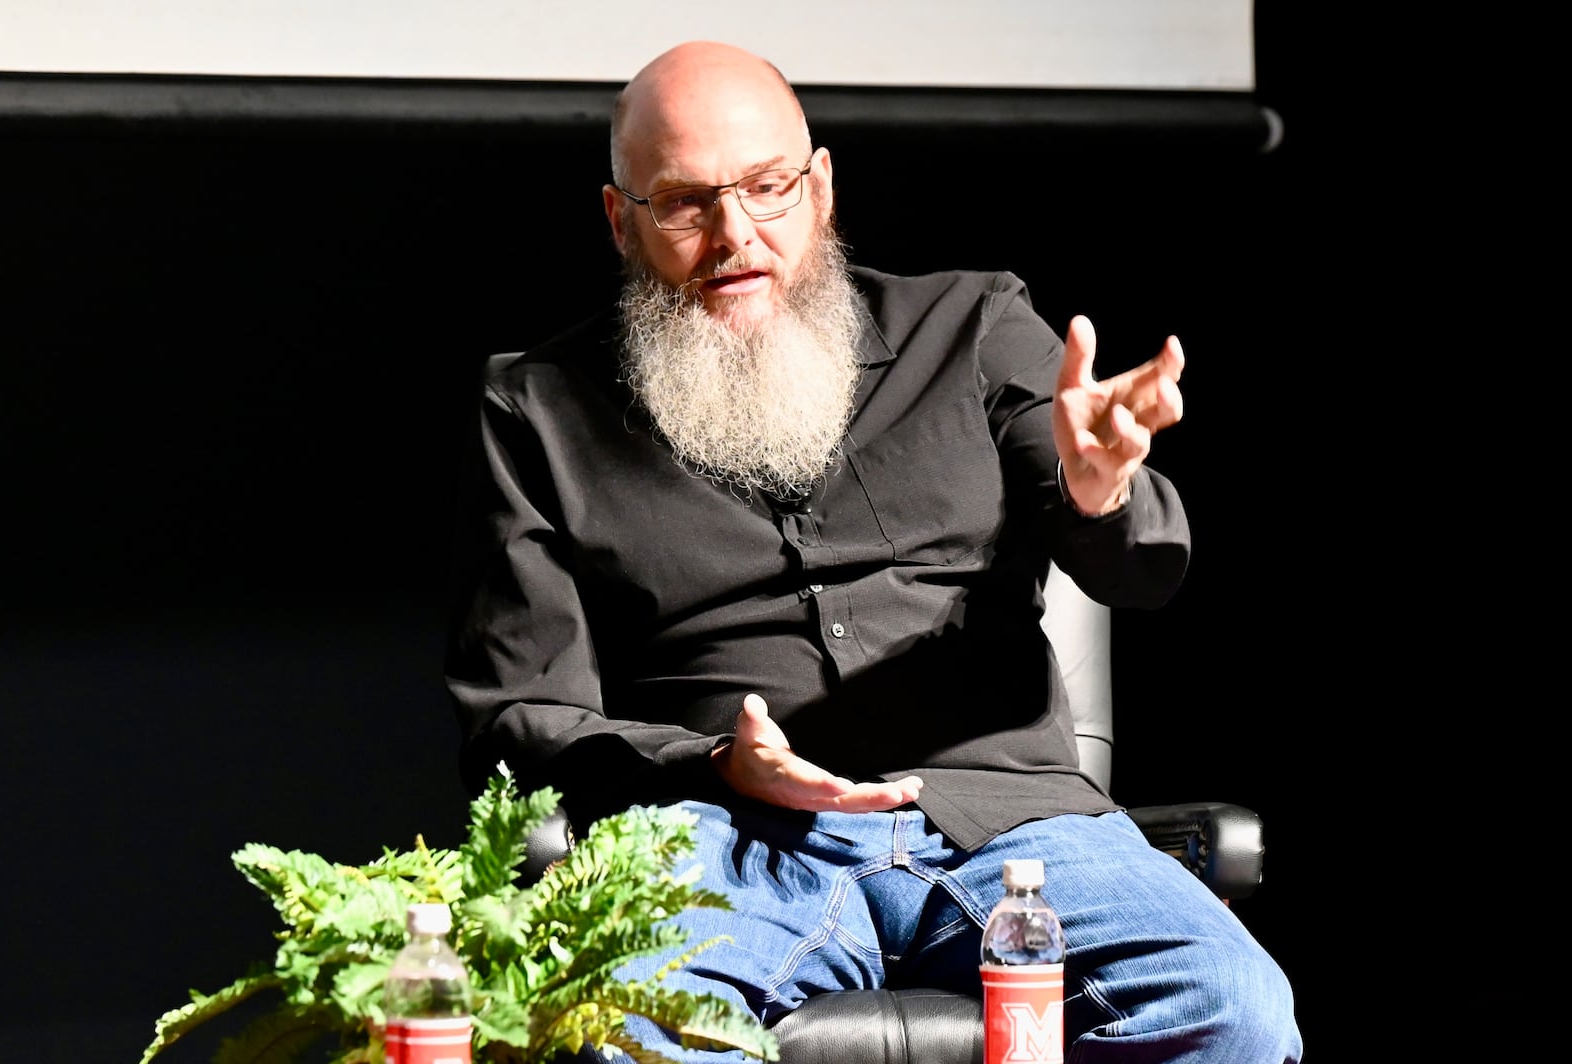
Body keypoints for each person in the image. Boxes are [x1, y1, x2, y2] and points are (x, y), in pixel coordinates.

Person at [444, 38, 1301, 1064]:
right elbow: (518, 720)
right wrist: (712, 763)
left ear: (820, 186)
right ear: (620, 219)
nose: (734, 234)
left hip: (1012, 825)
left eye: (766, 186)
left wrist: (1098, 489)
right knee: (617, 1033)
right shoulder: (536, 408)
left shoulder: (972, 326)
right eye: (684, 203)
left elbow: (1144, 568)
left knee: (1229, 1006)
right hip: (720, 835)